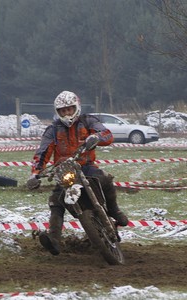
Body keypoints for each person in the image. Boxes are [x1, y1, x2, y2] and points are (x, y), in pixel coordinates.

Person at [26, 90, 128, 256]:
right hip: (64, 170)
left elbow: (107, 134)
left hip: (86, 166)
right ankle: (54, 239)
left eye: (69, 109)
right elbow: (42, 152)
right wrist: (35, 174)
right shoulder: (53, 130)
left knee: (105, 179)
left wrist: (96, 138)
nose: (67, 113)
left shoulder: (88, 121)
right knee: (56, 201)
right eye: (62, 111)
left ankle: (114, 210)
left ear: (76, 108)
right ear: (57, 112)